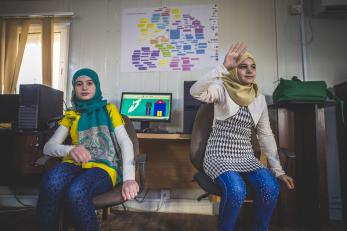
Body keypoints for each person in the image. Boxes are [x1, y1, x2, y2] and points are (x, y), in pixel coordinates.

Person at [190, 42, 295, 231]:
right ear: (234, 70)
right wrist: (223, 68)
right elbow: (195, 91)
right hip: (218, 155)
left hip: (246, 157)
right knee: (236, 190)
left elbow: (265, 135)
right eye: (243, 67)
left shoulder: (259, 98)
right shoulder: (222, 89)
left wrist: (278, 170)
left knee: (271, 188)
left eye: (252, 67)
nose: (249, 71)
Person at [36, 68, 139, 231]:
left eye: (89, 83)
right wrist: (70, 150)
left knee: (76, 191)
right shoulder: (71, 115)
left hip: (103, 166)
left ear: (96, 86)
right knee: (51, 180)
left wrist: (129, 178)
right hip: (74, 164)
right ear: (74, 88)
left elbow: (126, 142)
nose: (84, 87)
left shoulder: (110, 109)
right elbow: (48, 147)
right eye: (79, 84)